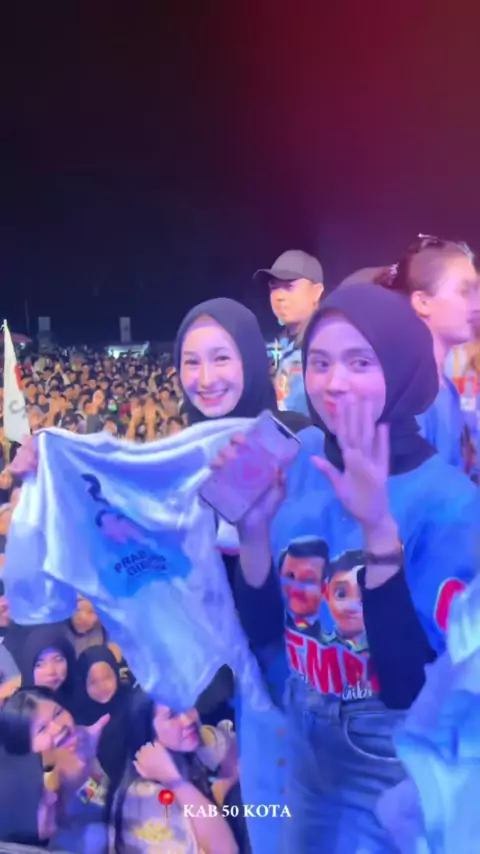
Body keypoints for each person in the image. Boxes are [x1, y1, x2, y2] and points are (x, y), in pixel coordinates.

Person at [218, 283, 479, 851]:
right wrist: (255, 532)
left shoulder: (450, 503)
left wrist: (378, 531)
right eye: (320, 363)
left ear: (402, 367)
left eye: (360, 362)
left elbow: (411, 687)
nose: (335, 382)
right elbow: (266, 632)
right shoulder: (302, 460)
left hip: (389, 762)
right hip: (302, 739)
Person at [175, 296, 302, 854]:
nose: (205, 379)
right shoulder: (179, 457)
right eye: (191, 362)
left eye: (221, 358)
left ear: (251, 357)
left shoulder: (294, 439)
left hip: (304, 681)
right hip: (226, 692)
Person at [375, 234, 480, 469]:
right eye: (465, 292)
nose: (478, 304)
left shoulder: (444, 387)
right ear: (423, 302)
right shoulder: (408, 399)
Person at [110, 693, 239, 854]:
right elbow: (226, 850)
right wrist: (176, 781)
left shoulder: (188, 753)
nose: (188, 719)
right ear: (148, 730)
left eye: (186, 706)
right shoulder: (146, 798)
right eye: (172, 715)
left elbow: (233, 748)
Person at [253, 249, 324, 415]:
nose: (279, 296)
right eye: (274, 287)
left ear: (316, 291)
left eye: (289, 286)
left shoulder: (327, 347)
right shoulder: (274, 346)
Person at [18, 626, 77, 714]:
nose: (51, 672)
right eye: (39, 665)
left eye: (58, 660)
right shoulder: (18, 713)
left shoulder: (82, 699)